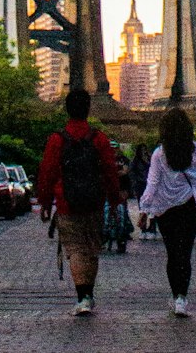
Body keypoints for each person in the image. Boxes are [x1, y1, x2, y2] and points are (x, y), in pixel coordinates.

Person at [37, 87, 122, 316]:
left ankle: (82, 296)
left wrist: (45, 203)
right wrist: (115, 201)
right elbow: (110, 173)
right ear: (88, 109)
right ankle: (89, 294)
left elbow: (47, 173)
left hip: (67, 203)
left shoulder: (56, 140)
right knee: (92, 248)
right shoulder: (99, 139)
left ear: (67, 110)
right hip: (94, 202)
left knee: (74, 249)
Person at [139, 107, 196, 317]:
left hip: (165, 210)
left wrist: (144, 208)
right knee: (185, 253)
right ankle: (182, 298)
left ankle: (176, 295)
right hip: (190, 207)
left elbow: (153, 183)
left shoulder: (160, 154)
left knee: (172, 253)